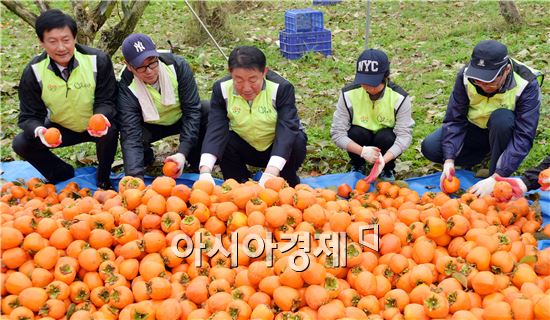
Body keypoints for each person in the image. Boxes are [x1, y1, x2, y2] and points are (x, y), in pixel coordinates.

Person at [421, 40, 543, 196]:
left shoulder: (527, 83)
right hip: (474, 129)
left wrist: (497, 176)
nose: (483, 85)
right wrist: (449, 159)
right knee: (431, 147)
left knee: (502, 119)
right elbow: (454, 119)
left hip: (504, 131)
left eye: (490, 80)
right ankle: (481, 156)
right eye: (478, 79)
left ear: (506, 70)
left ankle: (496, 167)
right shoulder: (466, 76)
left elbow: (523, 136)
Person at [12, 9, 118, 189]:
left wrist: (100, 117)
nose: (61, 47)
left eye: (66, 40)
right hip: (61, 128)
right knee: (21, 143)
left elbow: (107, 100)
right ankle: (60, 172)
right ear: (41, 42)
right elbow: (28, 116)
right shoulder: (34, 71)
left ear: (75, 38)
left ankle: (103, 178)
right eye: (52, 42)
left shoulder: (97, 60)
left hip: (94, 123)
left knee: (110, 130)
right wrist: (39, 130)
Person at [198, 46, 307, 187]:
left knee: (296, 139)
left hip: (277, 148)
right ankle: (238, 183)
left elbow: (287, 129)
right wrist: (205, 170)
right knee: (225, 141)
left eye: (252, 79)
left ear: (264, 72)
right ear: (230, 72)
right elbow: (215, 128)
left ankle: (288, 179)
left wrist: (271, 172)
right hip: (246, 146)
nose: (246, 87)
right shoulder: (222, 89)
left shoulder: (281, 88)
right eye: (239, 80)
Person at [117, 34, 206, 180]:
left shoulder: (177, 66)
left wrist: (182, 152)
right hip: (150, 125)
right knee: (130, 133)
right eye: (141, 67)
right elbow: (130, 131)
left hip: (179, 117)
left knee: (206, 110)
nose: (149, 71)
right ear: (129, 66)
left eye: (152, 62)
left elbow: (192, 111)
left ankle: (194, 160)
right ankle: (146, 160)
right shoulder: (125, 84)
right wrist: (134, 179)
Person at [331, 49, 414, 182]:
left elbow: (404, 136)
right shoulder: (348, 94)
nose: (367, 86)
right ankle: (358, 165)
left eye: (373, 82)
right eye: (363, 81)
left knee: (386, 137)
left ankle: (387, 168)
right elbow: (337, 133)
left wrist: (384, 159)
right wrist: (362, 151)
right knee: (356, 133)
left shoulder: (399, 97)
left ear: (385, 77)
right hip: (360, 139)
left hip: (385, 142)